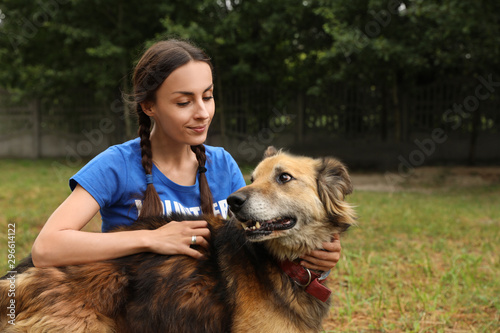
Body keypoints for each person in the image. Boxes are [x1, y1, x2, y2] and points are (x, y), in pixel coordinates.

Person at [31, 39, 341, 273]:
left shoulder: (221, 165)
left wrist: (316, 251)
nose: (202, 113)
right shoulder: (116, 165)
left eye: (207, 96)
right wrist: (151, 239)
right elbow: (47, 248)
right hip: (131, 307)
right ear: (149, 106)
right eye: (184, 102)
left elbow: (252, 242)